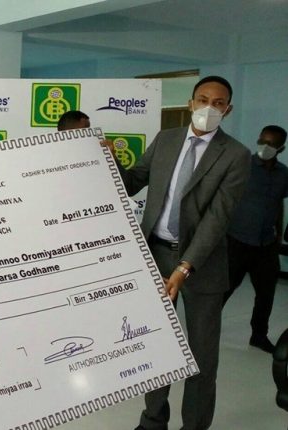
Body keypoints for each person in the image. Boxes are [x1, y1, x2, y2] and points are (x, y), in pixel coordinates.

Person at [110, 76, 251, 430]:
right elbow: (132, 182)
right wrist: (108, 161)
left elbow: (217, 218)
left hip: (201, 265)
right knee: (157, 345)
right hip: (156, 255)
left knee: (201, 355)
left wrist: (185, 267)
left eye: (218, 103)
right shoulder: (166, 139)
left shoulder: (236, 155)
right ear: (190, 103)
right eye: (202, 99)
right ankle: (153, 419)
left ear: (228, 110)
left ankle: (195, 426)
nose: (208, 108)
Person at [223, 125, 288, 353]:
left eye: (271, 144)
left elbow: (278, 203)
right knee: (224, 289)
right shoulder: (242, 165)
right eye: (262, 141)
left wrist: (278, 234)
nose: (264, 146)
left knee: (266, 294)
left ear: (281, 148)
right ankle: (203, 330)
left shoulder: (283, 174)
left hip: (266, 244)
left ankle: (258, 336)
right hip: (237, 241)